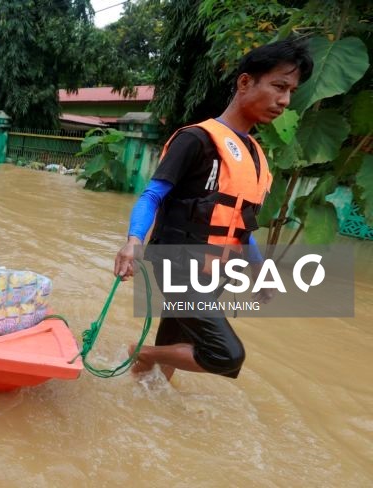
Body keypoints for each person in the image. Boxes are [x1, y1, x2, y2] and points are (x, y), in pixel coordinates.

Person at [113, 39, 313, 381]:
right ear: (245, 82)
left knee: (178, 340)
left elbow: (240, 227)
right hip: (176, 262)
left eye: (291, 91)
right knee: (226, 354)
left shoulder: (255, 157)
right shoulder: (196, 139)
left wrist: (259, 269)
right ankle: (142, 353)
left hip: (214, 270)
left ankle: (147, 395)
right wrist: (133, 240)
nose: (285, 100)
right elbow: (152, 196)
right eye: (279, 86)